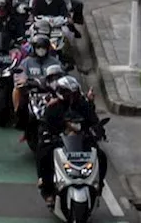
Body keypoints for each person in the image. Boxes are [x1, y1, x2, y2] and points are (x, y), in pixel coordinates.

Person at [36, 76, 106, 207]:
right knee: (44, 154)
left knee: (101, 157)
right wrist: (46, 134)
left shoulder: (83, 105)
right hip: (59, 142)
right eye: (68, 94)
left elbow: (94, 120)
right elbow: (45, 124)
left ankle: (98, 186)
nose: (71, 97)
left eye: (74, 94)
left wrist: (98, 130)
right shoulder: (54, 107)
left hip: (82, 141)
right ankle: (47, 189)